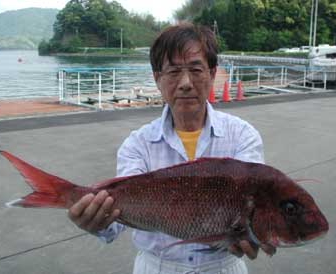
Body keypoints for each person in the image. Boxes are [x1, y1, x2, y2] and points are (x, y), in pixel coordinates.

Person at [68, 22, 272, 274]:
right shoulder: (137, 145)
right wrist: (94, 221)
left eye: (196, 69)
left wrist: (254, 234)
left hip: (223, 266)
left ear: (212, 73)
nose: (185, 82)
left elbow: (255, 203)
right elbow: (116, 221)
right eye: (174, 72)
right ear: (157, 79)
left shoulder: (243, 136)